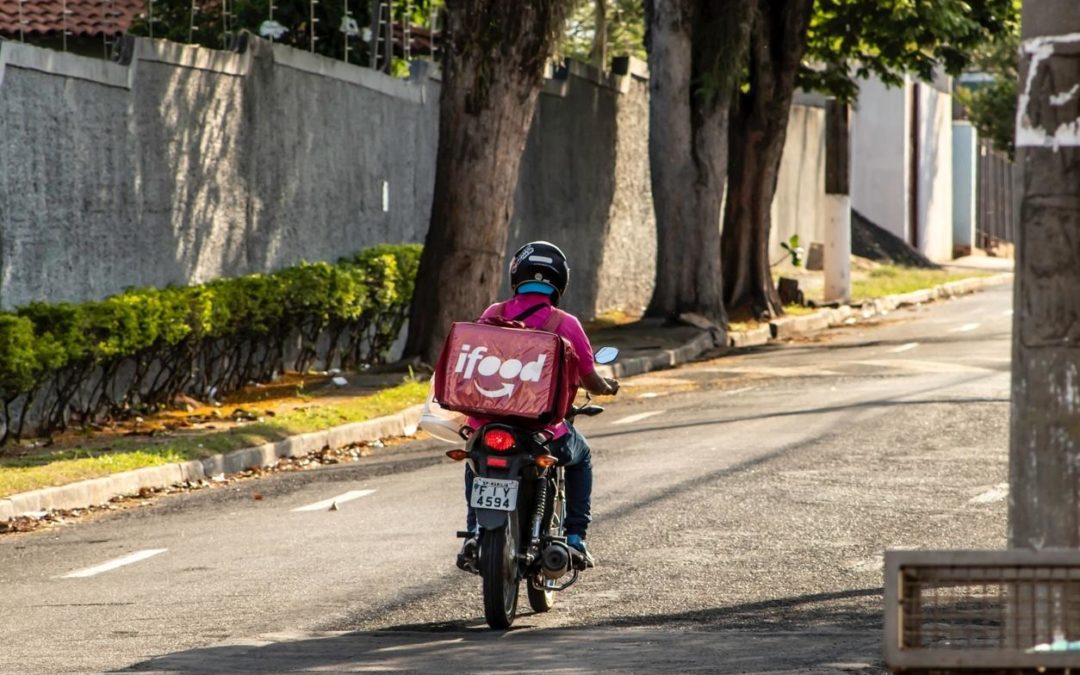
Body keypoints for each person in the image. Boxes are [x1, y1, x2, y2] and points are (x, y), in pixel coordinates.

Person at [457, 241, 618, 570]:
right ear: (560, 281)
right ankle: (575, 538)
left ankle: (474, 531)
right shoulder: (565, 323)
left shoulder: (493, 314)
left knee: (476, 462)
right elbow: (589, 378)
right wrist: (607, 388)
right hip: (542, 429)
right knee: (582, 456)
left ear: (516, 274)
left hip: (487, 424)